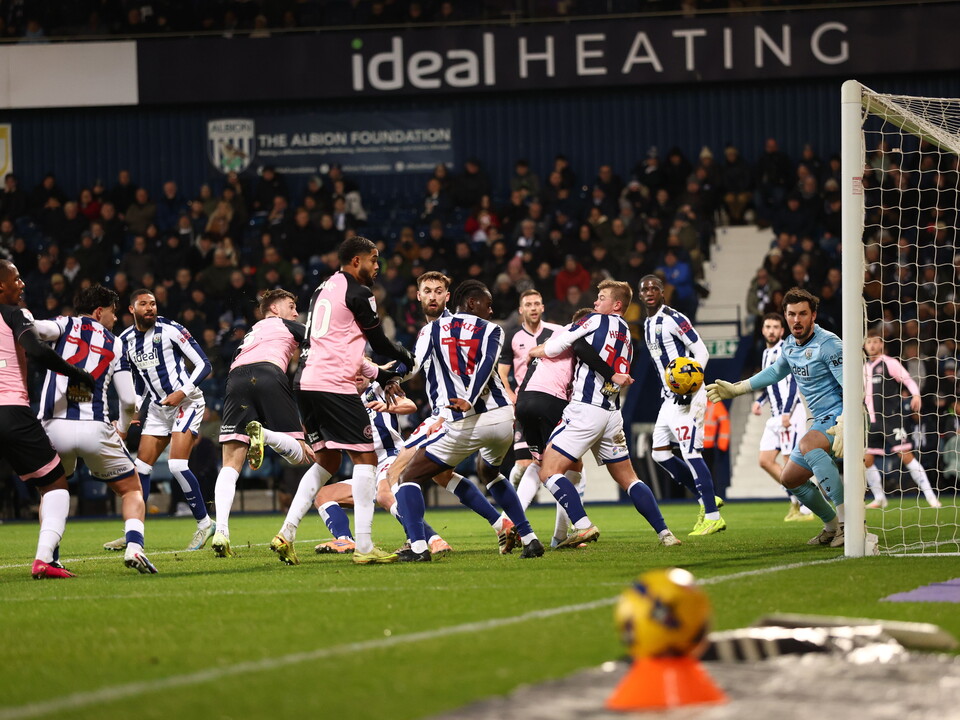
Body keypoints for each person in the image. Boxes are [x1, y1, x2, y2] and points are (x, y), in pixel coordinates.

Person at [267, 236, 414, 566]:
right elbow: (378, 340)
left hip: (305, 381)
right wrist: (406, 356)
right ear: (356, 261)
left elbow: (339, 343)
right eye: (374, 260)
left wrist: (381, 375)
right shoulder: (360, 292)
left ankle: (286, 533)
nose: (378, 267)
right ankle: (363, 547)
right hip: (334, 384)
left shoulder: (324, 287)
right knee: (365, 461)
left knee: (327, 463)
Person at [393, 280, 544, 561]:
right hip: (502, 420)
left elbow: (411, 366)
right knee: (488, 472)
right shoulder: (493, 329)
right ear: (473, 303)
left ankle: (418, 548)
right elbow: (488, 363)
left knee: (407, 477)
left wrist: (385, 377)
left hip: (463, 419)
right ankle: (529, 538)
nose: (491, 309)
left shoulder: (432, 329)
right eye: (488, 303)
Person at [529, 279, 681, 548]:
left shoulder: (595, 320)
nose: (596, 303)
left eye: (601, 297)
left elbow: (557, 346)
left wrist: (536, 350)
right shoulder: (629, 339)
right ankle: (665, 533)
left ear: (617, 304)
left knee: (548, 471)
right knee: (630, 479)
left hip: (585, 410)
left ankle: (583, 525)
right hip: (612, 414)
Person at [707, 287, 846, 547]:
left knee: (807, 445)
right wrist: (738, 388)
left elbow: (852, 386)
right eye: (792, 314)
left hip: (842, 417)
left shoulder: (830, 344)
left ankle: (848, 524)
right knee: (790, 478)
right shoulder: (791, 345)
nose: (797, 319)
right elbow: (774, 372)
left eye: (803, 314)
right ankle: (830, 526)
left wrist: (846, 421)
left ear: (813, 315)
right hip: (819, 421)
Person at [35, 285, 157, 573]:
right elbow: (128, 400)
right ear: (99, 311)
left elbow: (35, 330)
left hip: (53, 426)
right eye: (113, 313)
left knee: (52, 492)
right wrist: (124, 428)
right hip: (95, 427)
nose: (115, 319)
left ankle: (49, 557)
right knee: (131, 490)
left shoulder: (64, 324)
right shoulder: (116, 344)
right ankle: (134, 547)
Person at [0, 260, 95, 578]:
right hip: (11, 411)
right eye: (16, 278)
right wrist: (75, 373)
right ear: (2, 286)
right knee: (54, 484)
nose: (22, 284)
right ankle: (44, 559)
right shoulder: (13, 313)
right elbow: (37, 350)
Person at [108, 288, 216, 552]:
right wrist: (133, 410)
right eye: (143, 304)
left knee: (177, 465)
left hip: (187, 402)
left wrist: (181, 392)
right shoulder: (125, 341)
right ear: (132, 310)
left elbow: (204, 364)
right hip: (158, 410)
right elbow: (140, 384)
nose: (150, 308)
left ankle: (204, 524)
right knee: (140, 469)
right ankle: (133, 531)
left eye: (153, 303)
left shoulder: (171, 329)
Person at [209, 289, 313, 558]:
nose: (295, 311)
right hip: (269, 373)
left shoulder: (250, 333)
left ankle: (221, 530)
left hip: (236, 378)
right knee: (302, 455)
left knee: (230, 463)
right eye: (291, 306)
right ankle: (264, 434)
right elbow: (323, 341)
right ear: (275, 309)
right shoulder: (287, 324)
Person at [312, 365, 452, 556]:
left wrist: (389, 407)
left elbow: (410, 405)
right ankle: (345, 540)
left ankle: (432, 540)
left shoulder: (378, 390)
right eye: (354, 370)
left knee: (385, 495)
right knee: (323, 495)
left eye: (363, 370)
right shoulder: (342, 402)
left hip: (390, 458)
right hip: (366, 468)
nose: (358, 373)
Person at [639, 274, 725, 535]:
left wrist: (689, 385)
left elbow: (701, 352)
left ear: (663, 293)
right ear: (640, 295)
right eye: (645, 289)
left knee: (691, 453)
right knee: (659, 453)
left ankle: (712, 515)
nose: (650, 291)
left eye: (655, 288)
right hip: (669, 399)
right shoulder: (646, 323)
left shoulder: (674, 319)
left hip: (689, 396)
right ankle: (705, 498)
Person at [862, 332, 940, 509]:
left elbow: (908, 380)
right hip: (872, 421)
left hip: (892, 419)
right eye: (869, 342)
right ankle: (879, 497)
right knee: (866, 459)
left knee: (905, 456)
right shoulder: (864, 367)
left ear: (881, 344)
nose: (872, 345)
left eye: (875, 342)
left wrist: (916, 395)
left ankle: (930, 496)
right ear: (865, 346)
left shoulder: (889, 363)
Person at [752, 313, 814, 522]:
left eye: (775, 327)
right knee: (765, 460)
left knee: (790, 462)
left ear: (781, 331)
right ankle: (796, 497)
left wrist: (787, 412)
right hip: (776, 415)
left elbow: (794, 384)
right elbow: (771, 384)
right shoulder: (765, 353)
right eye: (767, 326)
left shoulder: (785, 351)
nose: (771, 330)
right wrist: (759, 402)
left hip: (790, 414)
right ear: (763, 330)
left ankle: (807, 506)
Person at [497, 290, 561, 489]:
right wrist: (509, 392)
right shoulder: (513, 337)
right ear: (520, 310)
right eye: (528, 304)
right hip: (525, 404)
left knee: (564, 463)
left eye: (536, 304)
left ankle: (567, 512)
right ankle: (514, 501)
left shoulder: (557, 332)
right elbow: (501, 372)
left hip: (553, 402)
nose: (533, 308)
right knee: (523, 463)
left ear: (542, 307)